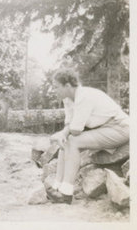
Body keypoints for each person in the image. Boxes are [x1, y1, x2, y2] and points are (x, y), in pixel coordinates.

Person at [47, 68, 129, 204]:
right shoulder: (68, 100)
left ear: (67, 86)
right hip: (104, 128)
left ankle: (66, 193)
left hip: (120, 128)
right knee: (65, 140)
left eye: (56, 87)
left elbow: (76, 130)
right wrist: (62, 134)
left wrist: (62, 133)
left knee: (72, 141)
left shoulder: (84, 96)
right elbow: (69, 124)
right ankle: (57, 187)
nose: (54, 91)